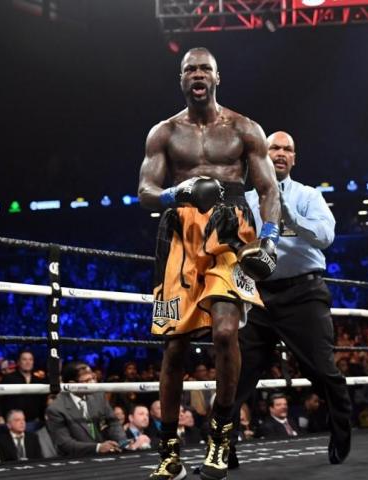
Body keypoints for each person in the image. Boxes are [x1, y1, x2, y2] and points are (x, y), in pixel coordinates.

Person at [137, 47, 280, 480]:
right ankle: (170, 452)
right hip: (179, 232)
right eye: (189, 69)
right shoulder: (163, 133)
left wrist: (269, 242)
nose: (197, 74)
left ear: (217, 77)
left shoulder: (244, 128)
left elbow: (269, 188)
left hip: (232, 230)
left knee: (223, 331)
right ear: (181, 80)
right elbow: (144, 190)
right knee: (175, 347)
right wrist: (177, 194)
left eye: (204, 68)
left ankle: (221, 435)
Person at [231, 131, 352, 466]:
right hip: (259, 294)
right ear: (262, 154)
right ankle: (222, 446)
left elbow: (326, 237)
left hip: (304, 294)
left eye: (288, 149)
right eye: (274, 148)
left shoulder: (308, 196)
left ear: (294, 158)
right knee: (239, 372)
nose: (281, 153)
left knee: (322, 370)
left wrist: (291, 217)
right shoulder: (247, 201)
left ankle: (341, 431)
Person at [45, 361, 127, 456]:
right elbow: (65, 443)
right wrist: (98, 447)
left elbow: (113, 422)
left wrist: (122, 443)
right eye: (87, 381)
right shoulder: (56, 408)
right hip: (75, 460)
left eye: (93, 378)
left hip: (106, 456)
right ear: (72, 384)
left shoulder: (98, 395)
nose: (93, 383)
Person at [0, 350, 47, 424]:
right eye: (24, 359)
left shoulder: (38, 380)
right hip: (13, 422)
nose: (28, 362)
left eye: (30, 359)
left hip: (35, 422)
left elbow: (43, 401)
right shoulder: (8, 378)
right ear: (18, 362)